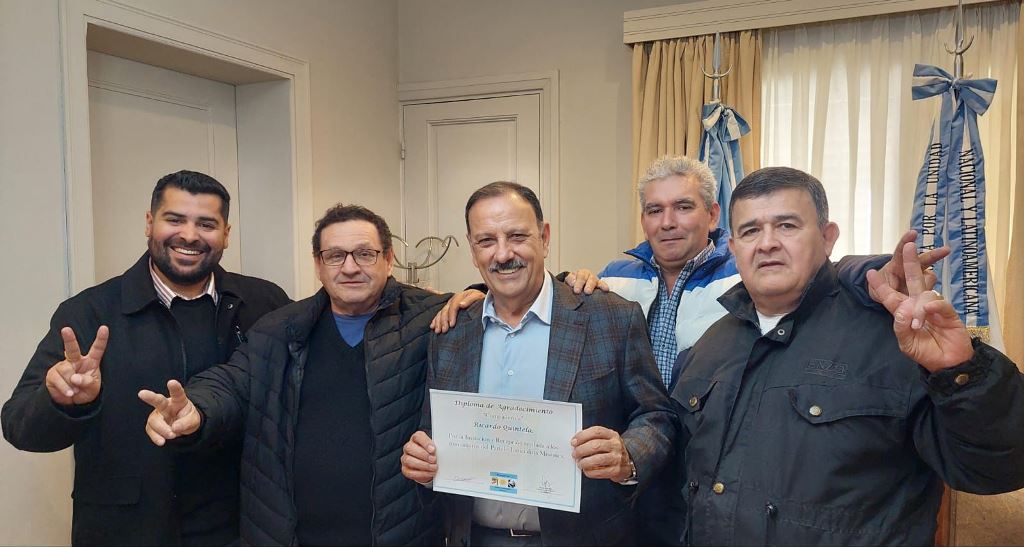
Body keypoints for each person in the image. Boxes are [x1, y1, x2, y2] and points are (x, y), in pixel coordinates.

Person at [672, 166, 1024, 545]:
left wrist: (961, 372)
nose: (767, 243)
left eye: (787, 226)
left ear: (827, 238)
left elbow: (999, 467)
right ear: (733, 248)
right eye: (750, 230)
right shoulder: (708, 348)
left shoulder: (899, 338)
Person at [139, 203, 484, 546]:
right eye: (335, 256)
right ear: (318, 264)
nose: (350, 267)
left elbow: (498, 318)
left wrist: (481, 297)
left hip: (400, 534)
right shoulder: (281, 328)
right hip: (290, 535)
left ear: (389, 259)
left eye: (365, 254)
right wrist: (197, 408)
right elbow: (233, 381)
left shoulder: (433, 319)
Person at [1, 170, 290, 546]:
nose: (189, 235)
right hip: (124, 531)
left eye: (206, 224)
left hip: (238, 528)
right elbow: (20, 428)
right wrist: (62, 401)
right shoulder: (89, 312)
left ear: (226, 234)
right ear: (150, 223)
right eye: (175, 219)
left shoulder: (265, 304)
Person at [401, 181, 677, 546]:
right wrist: (422, 462)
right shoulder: (450, 331)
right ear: (472, 249)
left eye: (517, 236)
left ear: (544, 238)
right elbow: (432, 432)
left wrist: (628, 455)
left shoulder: (611, 318)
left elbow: (657, 416)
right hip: (475, 538)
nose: (503, 254)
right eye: (486, 241)